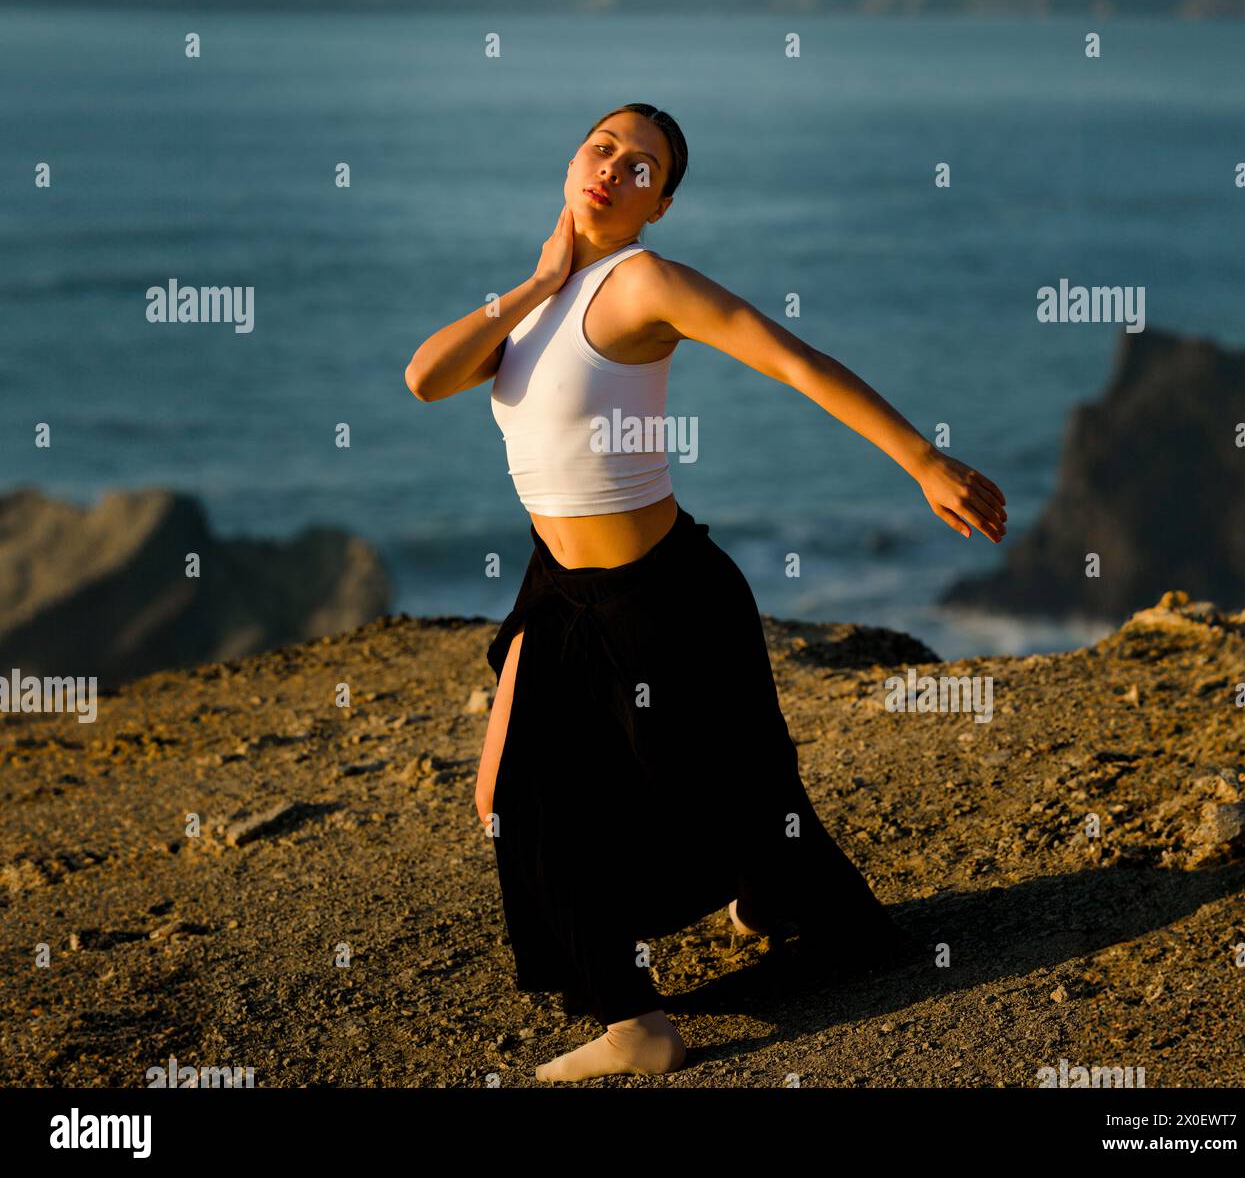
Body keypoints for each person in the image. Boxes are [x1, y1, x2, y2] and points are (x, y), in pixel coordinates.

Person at [404, 103, 1007, 1083]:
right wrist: (539, 279)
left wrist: (923, 458)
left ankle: (695, 970)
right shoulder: (546, 295)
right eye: (603, 146)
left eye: (642, 166)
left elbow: (790, 358)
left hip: (660, 596)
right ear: (574, 156)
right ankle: (698, 960)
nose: (614, 168)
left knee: (692, 786)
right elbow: (427, 377)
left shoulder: (646, 284)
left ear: (663, 203)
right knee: (512, 794)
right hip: (555, 588)